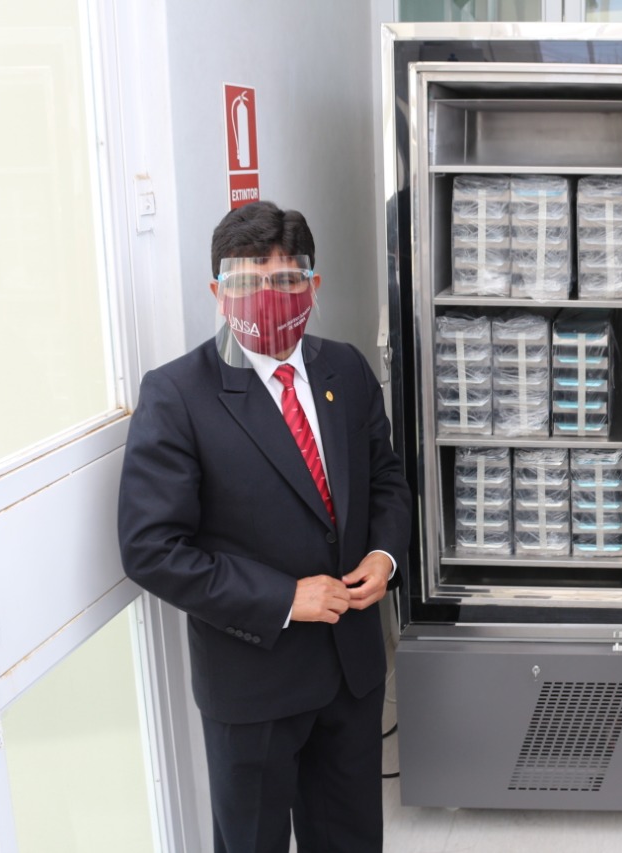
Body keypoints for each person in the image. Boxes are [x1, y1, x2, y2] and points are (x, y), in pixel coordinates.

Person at [118, 201, 411, 852]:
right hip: (252, 684)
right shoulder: (177, 395)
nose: (269, 295)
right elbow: (151, 549)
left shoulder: (346, 370)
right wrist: (285, 598)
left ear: (313, 285)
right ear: (218, 293)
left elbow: (386, 478)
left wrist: (385, 555)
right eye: (248, 281)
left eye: (286, 279)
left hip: (351, 672)